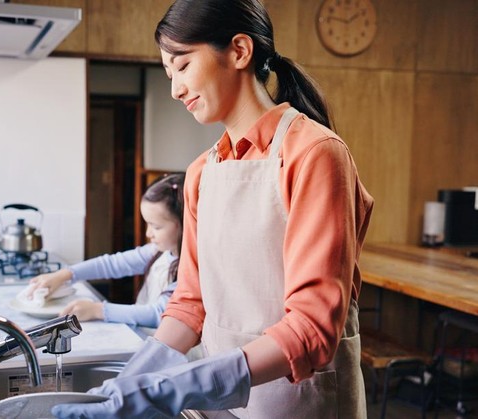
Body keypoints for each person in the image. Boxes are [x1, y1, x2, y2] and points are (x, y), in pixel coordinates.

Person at [53, 0, 374, 418]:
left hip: (299, 403)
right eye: (169, 74)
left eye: (183, 66)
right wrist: (128, 384)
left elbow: (313, 328)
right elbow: (189, 303)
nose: (175, 89)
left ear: (240, 51)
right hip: (222, 405)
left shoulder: (314, 153)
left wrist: (179, 386)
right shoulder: (202, 172)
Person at [25, 172, 185, 329]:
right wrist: (63, 275)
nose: (148, 233)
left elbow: (158, 314)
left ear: (186, 224)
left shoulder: (189, 269)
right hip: (144, 339)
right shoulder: (158, 252)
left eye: (156, 227)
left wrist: (97, 310)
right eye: (147, 224)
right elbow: (111, 264)